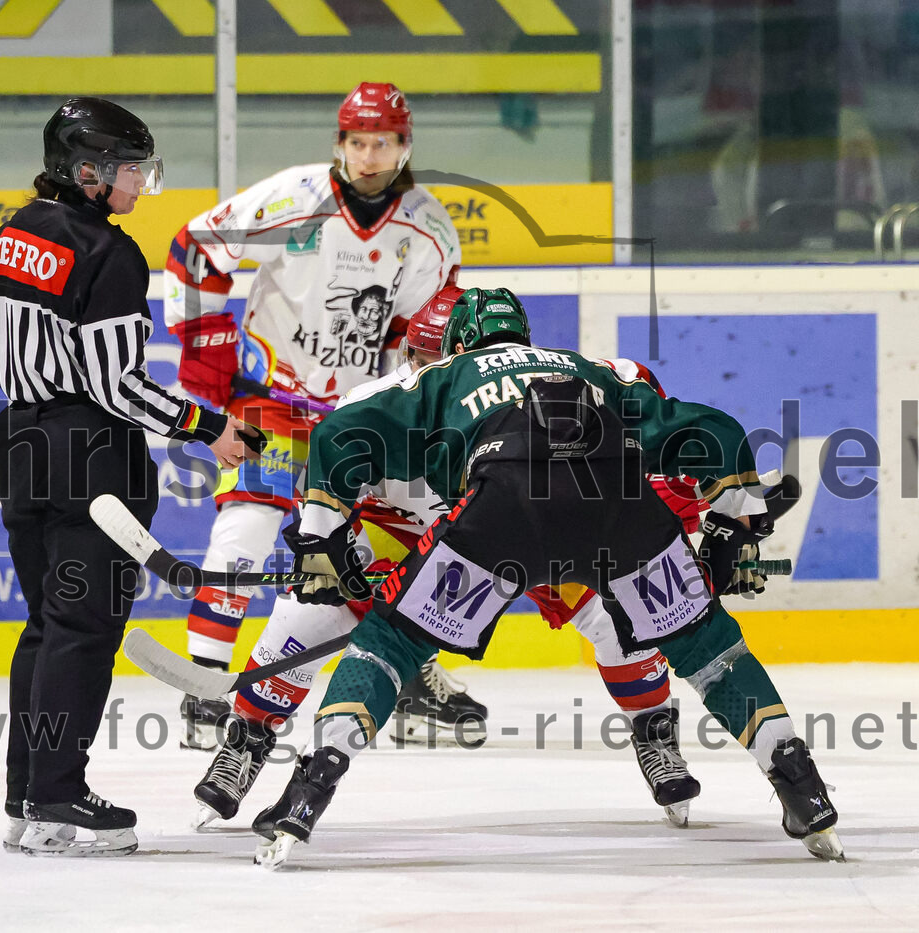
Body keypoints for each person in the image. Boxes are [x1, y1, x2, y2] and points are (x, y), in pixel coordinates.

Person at [253, 287, 842, 869]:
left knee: (391, 643)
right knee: (711, 650)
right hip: (619, 512)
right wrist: (732, 528)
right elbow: (711, 429)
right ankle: (802, 787)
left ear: (455, 343)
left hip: (502, 517)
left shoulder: (443, 377)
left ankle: (309, 791)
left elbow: (338, 437)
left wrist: (322, 536)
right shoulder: (590, 372)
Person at [191, 287, 702, 831]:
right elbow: (331, 494)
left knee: (615, 611)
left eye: (446, 360)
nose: (433, 372)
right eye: (425, 359)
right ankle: (247, 740)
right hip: (411, 527)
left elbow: (651, 454)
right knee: (312, 612)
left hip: (520, 520)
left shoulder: (559, 392)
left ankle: (654, 729)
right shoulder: (376, 407)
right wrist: (334, 555)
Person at [0, 98, 261, 857]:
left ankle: (27, 797)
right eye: (132, 170)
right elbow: (115, 385)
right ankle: (59, 799)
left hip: (20, 440)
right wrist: (209, 426)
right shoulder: (108, 250)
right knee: (85, 629)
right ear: (88, 171)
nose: (140, 183)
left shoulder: (13, 234)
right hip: (88, 455)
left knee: (46, 624)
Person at [162, 81, 470, 751]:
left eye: (382, 142)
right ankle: (207, 682)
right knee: (244, 532)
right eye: (357, 142)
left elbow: (436, 335)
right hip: (273, 397)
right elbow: (196, 246)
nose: (368, 156)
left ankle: (410, 670)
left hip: (362, 417)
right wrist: (202, 342)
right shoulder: (296, 198)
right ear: (339, 143)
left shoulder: (429, 230)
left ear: (404, 146)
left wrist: (419, 400)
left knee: (398, 539)